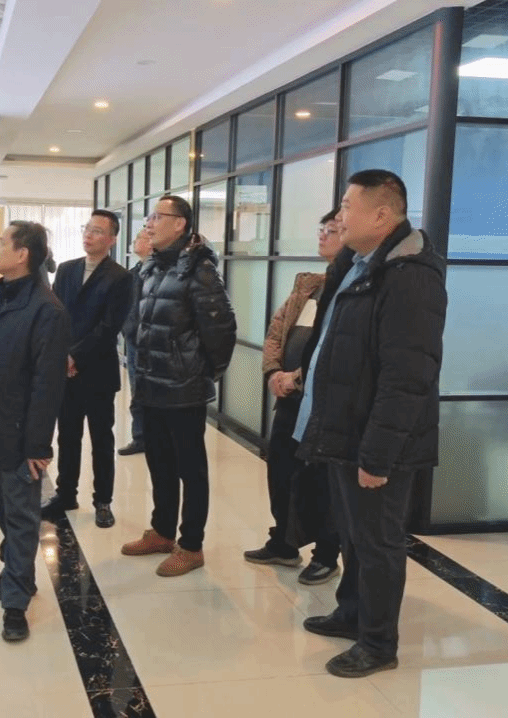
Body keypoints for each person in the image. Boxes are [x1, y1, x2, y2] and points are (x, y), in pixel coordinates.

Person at [294, 170, 447, 678]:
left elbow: (408, 375)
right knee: (354, 534)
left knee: (378, 542)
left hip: (376, 439)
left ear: (382, 215)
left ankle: (379, 643)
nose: (339, 216)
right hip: (345, 428)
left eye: (347, 206)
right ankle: (352, 613)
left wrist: (379, 455)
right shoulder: (357, 264)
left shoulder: (409, 275)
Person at [0, 220, 69, 642]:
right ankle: (15, 574)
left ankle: (15, 602)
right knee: (3, 510)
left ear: (22, 254)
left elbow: (48, 385)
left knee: (22, 517)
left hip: (20, 435)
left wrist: (38, 445)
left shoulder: (46, 310)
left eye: (2, 243)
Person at [120, 195, 235, 577]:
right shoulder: (153, 267)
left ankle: (191, 545)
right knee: (159, 463)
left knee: (191, 469)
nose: (149, 223)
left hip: (184, 388)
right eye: (149, 216)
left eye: (158, 216)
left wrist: (201, 373)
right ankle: (162, 531)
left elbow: (221, 330)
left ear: (180, 223)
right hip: (151, 383)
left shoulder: (199, 269)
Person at [245, 210, 344, 584]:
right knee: (281, 471)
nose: (323, 235)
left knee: (319, 479)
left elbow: (331, 349)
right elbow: (276, 332)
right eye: (321, 229)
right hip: (288, 398)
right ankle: (283, 543)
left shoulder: (350, 289)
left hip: (322, 402)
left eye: (332, 230)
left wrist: (297, 378)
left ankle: (326, 554)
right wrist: (274, 373)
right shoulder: (308, 287)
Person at [41, 210, 133, 529]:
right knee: (68, 435)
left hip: (97, 372)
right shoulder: (67, 270)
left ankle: (102, 501)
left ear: (111, 239)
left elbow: (109, 327)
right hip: (65, 370)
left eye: (97, 231)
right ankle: (66, 494)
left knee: (101, 439)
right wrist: (61, 355)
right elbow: (55, 314)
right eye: (87, 229)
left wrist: (75, 356)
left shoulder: (120, 277)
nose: (88, 235)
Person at [118, 228, 152, 457]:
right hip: (133, 340)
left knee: (152, 393)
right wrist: (128, 329)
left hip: (153, 343)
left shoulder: (160, 273)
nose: (134, 241)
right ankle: (139, 437)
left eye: (140, 237)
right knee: (137, 391)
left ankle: (155, 438)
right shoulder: (133, 273)